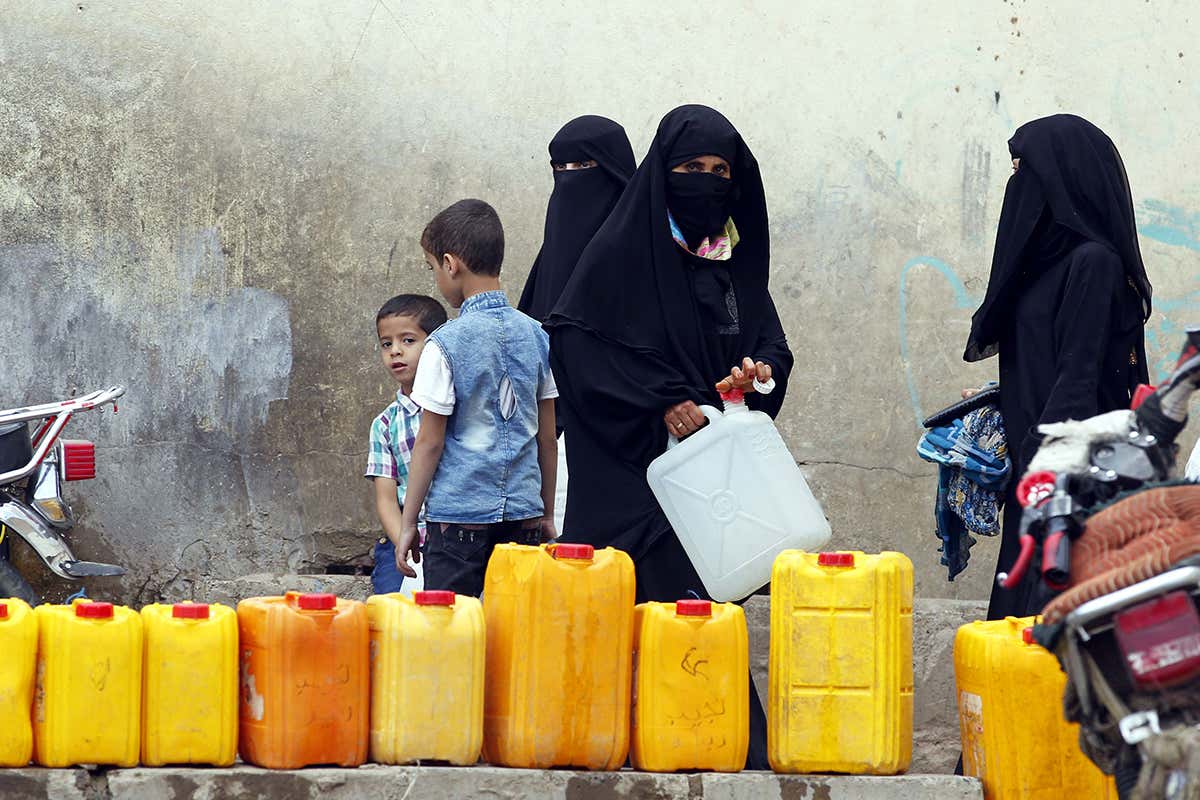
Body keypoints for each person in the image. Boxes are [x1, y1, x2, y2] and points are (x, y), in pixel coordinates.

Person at [545, 105, 793, 769]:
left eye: (720, 172)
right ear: (662, 174)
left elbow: (768, 342)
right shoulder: (623, 254)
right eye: (691, 169)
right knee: (638, 614)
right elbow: (580, 345)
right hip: (630, 478)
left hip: (705, 478)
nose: (707, 183)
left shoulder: (730, 264)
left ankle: (709, 743)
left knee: (699, 620)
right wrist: (659, 403)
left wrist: (757, 373)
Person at [962, 114, 1153, 620]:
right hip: (1041, 478)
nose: (1017, 183)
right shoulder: (1045, 271)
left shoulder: (1094, 264)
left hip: (1070, 488)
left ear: (1062, 178)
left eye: (1025, 169)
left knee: (1048, 639)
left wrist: (1040, 470)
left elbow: (1078, 382)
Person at [395, 199, 559, 597]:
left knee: (452, 636)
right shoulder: (536, 335)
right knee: (515, 635)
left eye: (433, 267)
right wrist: (548, 512)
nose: (436, 277)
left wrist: (408, 523)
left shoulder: (444, 344)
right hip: (524, 517)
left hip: (458, 521)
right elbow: (547, 439)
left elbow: (430, 443)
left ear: (451, 264)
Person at [518, 115, 637, 535]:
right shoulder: (553, 254)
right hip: (554, 435)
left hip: (630, 437)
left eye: (583, 168)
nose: (569, 180)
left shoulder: (642, 255)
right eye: (559, 169)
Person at [363, 293, 448, 595]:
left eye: (408, 341)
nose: (395, 351)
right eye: (387, 344)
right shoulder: (385, 425)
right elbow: (386, 499)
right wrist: (404, 541)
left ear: (436, 345)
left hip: (454, 538)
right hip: (406, 540)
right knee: (391, 607)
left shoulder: (455, 410)